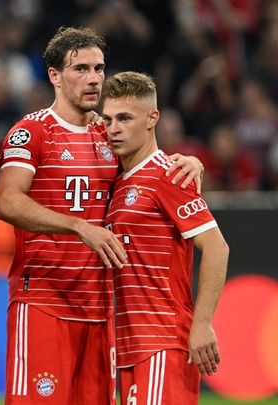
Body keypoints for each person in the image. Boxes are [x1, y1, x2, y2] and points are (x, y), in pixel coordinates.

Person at [0, 27, 204, 404]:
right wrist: (78, 226)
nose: (93, 79)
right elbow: (7, 201)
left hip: (101, 309)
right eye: (80, 69)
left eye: (99, 68)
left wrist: (189, 161)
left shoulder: (109, 133)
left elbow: (151, 169)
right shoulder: (32, 131)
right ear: (55, 76)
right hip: (44, 302)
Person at [101, 71, 228, 405]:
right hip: (129, 347)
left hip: (163, 342)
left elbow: (216, 247)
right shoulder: (119, 180)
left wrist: (202, 324)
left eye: (125, 118)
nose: (114, 127)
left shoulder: (168, 174)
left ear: (152, 118)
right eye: (108, 119)